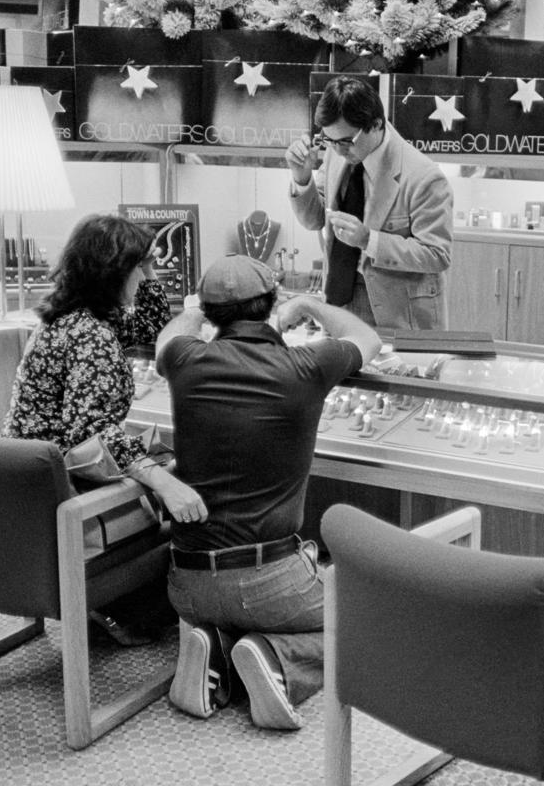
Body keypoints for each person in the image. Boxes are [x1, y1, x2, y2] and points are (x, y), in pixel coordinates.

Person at [155, 254, 380, 730]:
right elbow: (368, 338)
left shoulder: (183, 359)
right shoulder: (304, 365)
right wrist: (310, 303)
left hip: (185, 584)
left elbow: (168, 338)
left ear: (212, 315)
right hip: (271, 583)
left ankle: (213, 647)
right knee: (371, 616)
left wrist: (197, 308)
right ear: (272, 303)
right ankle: (275, 658)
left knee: (241, 604)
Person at [2, 213, 207, 643]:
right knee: (182, 495)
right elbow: (90, 434)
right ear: (113, 273)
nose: (144, 274)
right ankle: (134, 612)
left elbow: (148, 324)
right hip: (61, 497)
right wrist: (163, 483)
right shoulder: (91, 337)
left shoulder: (66, 319)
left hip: (23, 489)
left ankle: (122, 612)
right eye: (138, 266)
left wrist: (149, 269)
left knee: (162, 469)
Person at [285, 75, 452, 330]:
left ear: (375, 124)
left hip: (399, 314)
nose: (338, 150)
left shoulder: (424, 176)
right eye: (329, 140)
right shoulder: (335, 152)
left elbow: (436, 254)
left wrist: (368, 240)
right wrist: (301, 177)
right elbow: (315, 219)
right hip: (338, 299)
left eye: (345, 141)